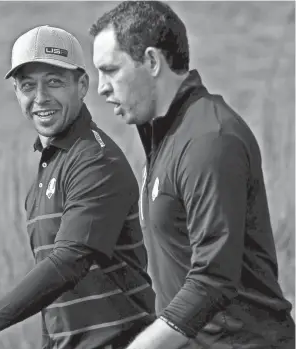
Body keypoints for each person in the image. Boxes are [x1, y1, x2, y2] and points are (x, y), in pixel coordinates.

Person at [0, 25, 157, 349]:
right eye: (27, 85)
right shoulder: (48, 171)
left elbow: (68, 263)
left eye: (54, 82)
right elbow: (55, 301)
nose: (40, 97)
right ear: (17, 92)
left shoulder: (95, 160)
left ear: (82, 84)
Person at [90, 1, 295, 348]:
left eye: (110, 70)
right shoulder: (165, 137)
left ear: (152, 62)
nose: (101, 88)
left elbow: (212, 280)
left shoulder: (209, 141)